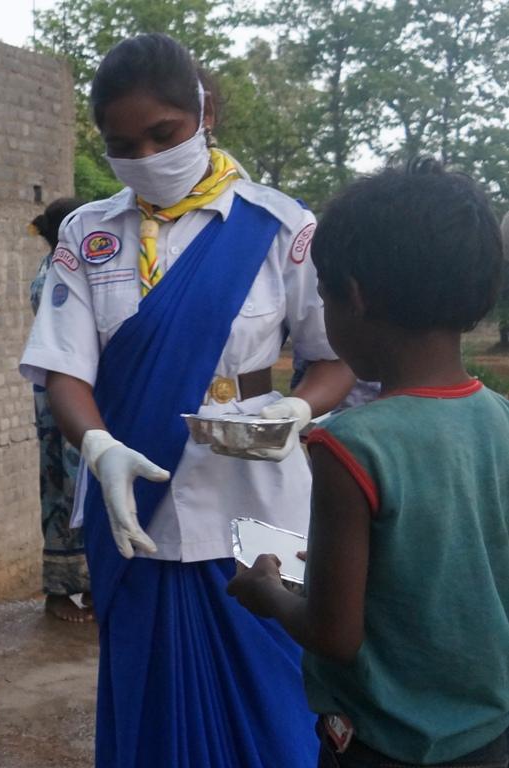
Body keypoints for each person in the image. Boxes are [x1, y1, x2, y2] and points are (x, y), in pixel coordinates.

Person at [19, 34, 356, 768]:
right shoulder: (87, 235)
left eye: (162, 135)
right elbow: (65, 370)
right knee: (150, 712)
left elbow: (332, 356)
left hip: (256, 505)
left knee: (273, 709)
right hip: (135, 508)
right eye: (120, 144)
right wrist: (98, 448)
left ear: (201, 112)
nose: (143, 155)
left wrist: (298, 408)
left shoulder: (278, 228)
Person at [228, 161, 509, 767]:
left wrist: (269, 592)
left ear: (353, 296)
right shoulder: (502, 419)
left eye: (324, 295)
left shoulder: (349, 447)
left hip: (381, 743)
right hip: (489, 736)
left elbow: (334, 634)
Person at [29, 198, 92, 622]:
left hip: (63, 397)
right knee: (74, 491)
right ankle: (65, 590)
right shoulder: (60, 272)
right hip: (69, 397)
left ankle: (85, 588)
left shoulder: (57, 266)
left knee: (70, 490)